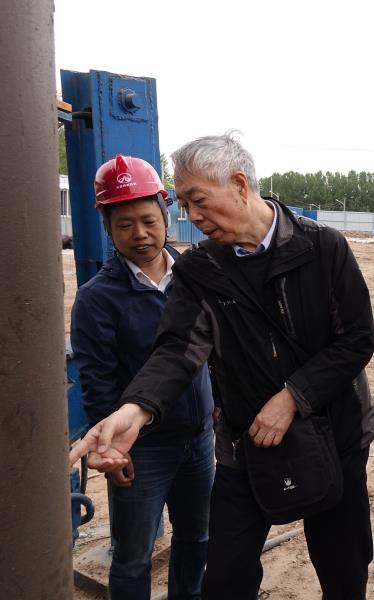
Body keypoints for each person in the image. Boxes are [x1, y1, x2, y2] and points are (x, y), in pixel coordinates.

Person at [69, 133, 374, 600]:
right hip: (244, 443)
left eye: (199, 201)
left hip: (336, 436)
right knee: (225, 576)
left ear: (239, 184)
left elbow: (356, 339)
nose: (192, 216)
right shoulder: (201, 270)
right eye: (184, 204)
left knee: (343, 566)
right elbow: (178, 349)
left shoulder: (322, 247)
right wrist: (135, 409)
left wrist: (293, 397)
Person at [71, 154, 215, 600]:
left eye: (149, 221)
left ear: (165, 216)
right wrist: (114, 450)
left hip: (199, 440)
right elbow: (97, 381)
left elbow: (213, 348)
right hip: (142, 450)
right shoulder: (98, 298)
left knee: (197, 539)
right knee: (133, 555)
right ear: (108, 229)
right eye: (125, 225)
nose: (140, 234)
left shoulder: (195, 276)